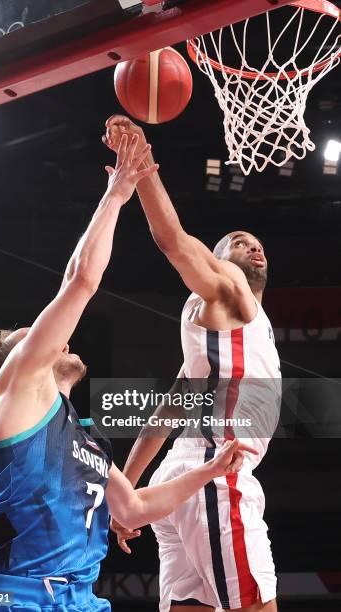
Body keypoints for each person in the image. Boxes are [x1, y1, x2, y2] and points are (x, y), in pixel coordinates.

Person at [0, 134, 256, 612]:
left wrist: (210, 470)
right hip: (15, 596)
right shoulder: (15, 389)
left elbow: (133, 508)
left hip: (80, 599)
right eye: (31, 336)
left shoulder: (83, 440)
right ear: (13, 364)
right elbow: (82, 281)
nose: (49, 337)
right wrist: (118, 191)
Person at [104, 116, 282, 612]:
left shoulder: (220, 338)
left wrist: (133, 492)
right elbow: (174, 241)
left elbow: (168, 412)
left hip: (176, 480)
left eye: (254, 241)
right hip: (215, 475)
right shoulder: (229, 289)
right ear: (220, 262)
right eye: (236, 243)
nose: (250, 246)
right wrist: (143, 169)